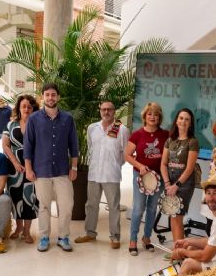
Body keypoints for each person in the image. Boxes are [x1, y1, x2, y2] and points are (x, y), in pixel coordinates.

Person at [24, 83, 79, 252]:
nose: (50, 97)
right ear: (42, 97)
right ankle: (44, 237)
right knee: (44, 206)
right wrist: (28, 169)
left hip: (63, 170)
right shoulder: (33, 119)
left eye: (53, 94)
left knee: (67, 204)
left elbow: (74, 145)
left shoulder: (68, 119)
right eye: (47, 94)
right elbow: (28, 146)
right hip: (41, 170)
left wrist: (74, 167)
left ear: (58, 97)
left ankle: (63, 237)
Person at [75, 101, 129, 249]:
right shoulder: (93, 128)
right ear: (100, 111)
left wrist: (115, 165)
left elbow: (125, 154)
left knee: (113, 206)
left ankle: (115, 237)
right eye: (103, 109)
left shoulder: (122, 129)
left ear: (114, 111)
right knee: (91, 205)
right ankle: (90, 233)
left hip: (111, 174)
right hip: (93, 174)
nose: (106, 112)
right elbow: (91, 149)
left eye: (109, 109)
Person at [124, 102, 169, 256]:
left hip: (159, 177)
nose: (152, 117)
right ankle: (132, 240)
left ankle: (147, 238)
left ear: (159, 117)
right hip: (141, 177)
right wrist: (139, 165)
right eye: (149, 114)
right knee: (138, 209)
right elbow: (127, 155)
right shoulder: (137, 134)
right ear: (145, 116)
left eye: (155, 114)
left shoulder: (165, 135)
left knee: (152, 209)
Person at [2, 94, 40, 244]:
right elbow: (5, 145)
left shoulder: (38, 124)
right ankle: (18, 228)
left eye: (29, 107)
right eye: (23, 106)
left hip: (34, 166)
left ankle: (27, 231)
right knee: (16, 196)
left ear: (33, 109)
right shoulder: (10, 125)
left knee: (30, 197)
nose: (26, 109)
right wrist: (15, 162)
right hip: (14, 168)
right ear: (19, 108)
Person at [160, 108, 199, 244]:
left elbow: (189, 168)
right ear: (176, 120)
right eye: (181, 118)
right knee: (172, 215)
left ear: (190, 124)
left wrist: (176, 185)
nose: (183, 121)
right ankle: (178, 249)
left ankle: (179, 252)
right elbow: (164, 164)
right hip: (169, 182)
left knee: (178, 217)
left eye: (187, 119)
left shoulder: (192, 142)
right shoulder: (170, 140)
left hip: (184, 183)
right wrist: (167, 184)